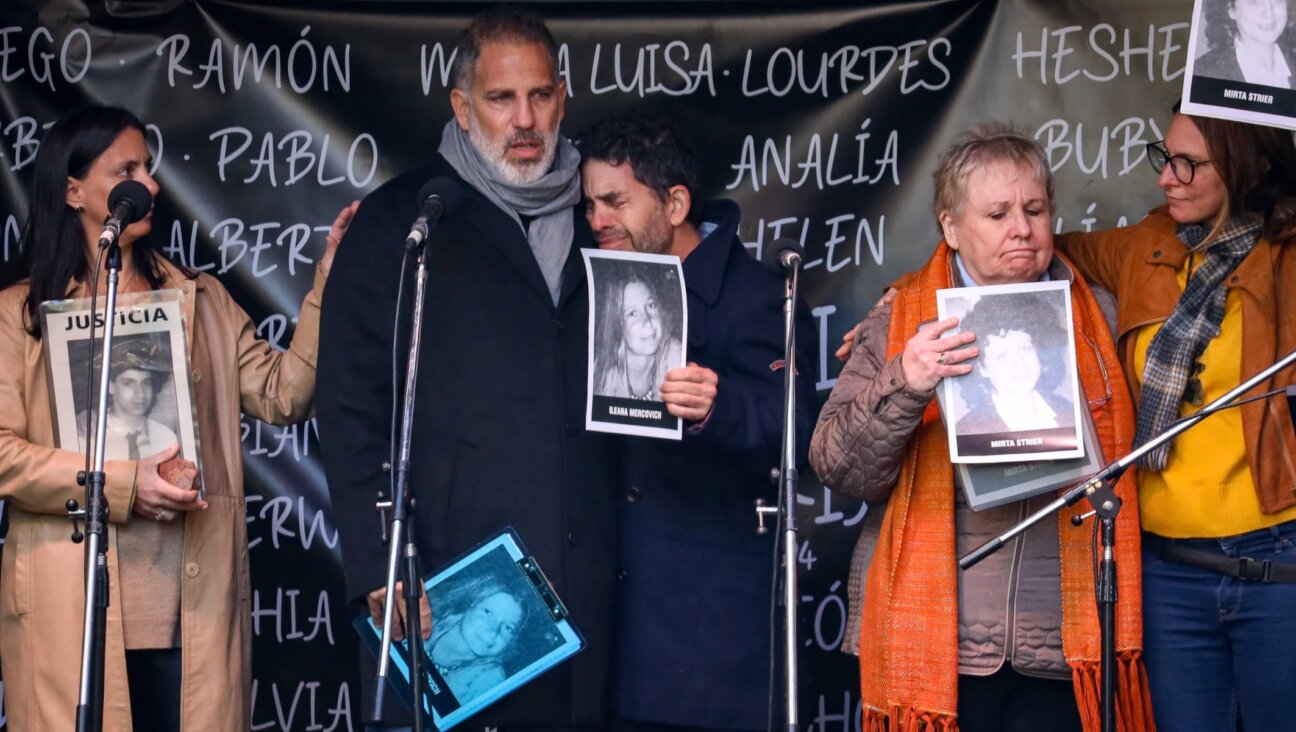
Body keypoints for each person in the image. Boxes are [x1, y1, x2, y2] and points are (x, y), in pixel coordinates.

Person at [316, 7, 619, 730]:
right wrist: (376, 566)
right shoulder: (405, 223)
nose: (525, 119)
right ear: (460, 105)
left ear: (563, 97)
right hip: (454, 581)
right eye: (501, 98)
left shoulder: (602, 217)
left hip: (597, 581)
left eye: (541, 96)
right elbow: (349, 407)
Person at [0, 104, 347, 731]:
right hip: (69, 612)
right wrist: (128, 484)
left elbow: (283, 393)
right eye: (126, 168)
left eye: (149, 167)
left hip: (189, 614)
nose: (150, 184)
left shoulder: (201, 298)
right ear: (74, 190)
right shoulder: (18, 314)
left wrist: (328, 279)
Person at [809, 123, 1153, 732]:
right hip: (944, 648)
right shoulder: (903, 319)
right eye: (996, 214)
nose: (1021, 229)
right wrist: (906, 380)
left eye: (1035, 209)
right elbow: (838, 467)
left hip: (1064, 648)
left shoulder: (1100, 314)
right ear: (950, 227)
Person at [1055, 105, 1296, 732]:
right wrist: (914, 291)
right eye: (1166, 157)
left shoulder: (1288, 258)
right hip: (1168, 573)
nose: (1168, 177)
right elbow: (1021, 252)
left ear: (1250, 168)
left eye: (1190, 163)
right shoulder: (1146, 246)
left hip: (1279, 562)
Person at [580, 111, 818, 731]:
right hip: (610, 621)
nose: (597, 219)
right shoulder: (592, 288)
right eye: (589, 205)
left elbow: (803, 438)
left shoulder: (758, 296)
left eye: (614, 202)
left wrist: (719, 407)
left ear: (676, 203)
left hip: (707, 637)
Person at [952, 290, 1076, 436]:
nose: (1020, 363)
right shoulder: (967, 431)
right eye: (1003, 355)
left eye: (1025, 348)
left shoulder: (1068, 409)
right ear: (982, 368)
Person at [426, 575, 529, 700]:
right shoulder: (429, 616)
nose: (493, 631)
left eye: (508, 628)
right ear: (472, 603)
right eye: (488, 612)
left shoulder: (491, 680)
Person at [78, 336, 180, 460]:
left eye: (146, 383)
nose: (140, 394)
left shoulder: (166, 437)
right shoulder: (88, 434)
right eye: (128, 383)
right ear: (109, 386)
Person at [593, 263, 683, 401]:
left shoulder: (675, 357)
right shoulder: (605, 376)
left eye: (651, 305)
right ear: (618, 326)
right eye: (633, 313)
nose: (647, 320)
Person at [1195, 0, 1296, 88]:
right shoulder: (1202, 72)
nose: (1269, 13)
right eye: (1254, 2)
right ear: (1231, 9)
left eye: (1277, 0)